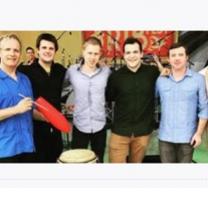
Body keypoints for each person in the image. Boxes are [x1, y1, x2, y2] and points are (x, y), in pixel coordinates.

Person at [106, 37, 161, 163]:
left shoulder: (153, 73)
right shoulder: (115, 77)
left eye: (135, 52)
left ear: (141, 54)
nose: (132, 56)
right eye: (128, 52)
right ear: (123, 55)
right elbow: (109, 98)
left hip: (143, 131)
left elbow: (167, 84)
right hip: (120, 131)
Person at [156, 42, 208, 163]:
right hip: (165, 137)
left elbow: (204, 108)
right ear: (168, 59)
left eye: (180, 54)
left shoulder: (198, 79)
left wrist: (199, 134)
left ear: (187, 57)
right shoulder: (161, 80)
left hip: (188, 138)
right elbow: (151, 101)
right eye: (173, 55)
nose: (177, 58)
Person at [63, 37, 111, 162]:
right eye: (89, 53)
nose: (92, 57)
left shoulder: (106, 72)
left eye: (96, 53)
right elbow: (61, 88)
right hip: (80, 125)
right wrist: (65, 104)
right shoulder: (72, 71)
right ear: (83, 52)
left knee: (98, 161)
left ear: (100, 54)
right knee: (78, 163)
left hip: (100, 126)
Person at [22, 33, 66, 163]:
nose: (47, 51)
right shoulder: (26, 71)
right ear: (37, 50)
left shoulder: (60, 70)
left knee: (56, 158)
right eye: (44, 48)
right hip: (36, 129)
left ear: (55, 51)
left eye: (51, 48)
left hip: (56, 127)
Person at [0, 34, 35, 162]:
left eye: (16, 50)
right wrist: (16, 109)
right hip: (5, 150)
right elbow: (20, 109)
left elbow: (29, 109)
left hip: (28, 147)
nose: (12, 53)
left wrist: (49, 116)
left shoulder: (25, 79)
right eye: (7, 49)